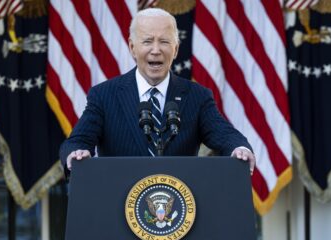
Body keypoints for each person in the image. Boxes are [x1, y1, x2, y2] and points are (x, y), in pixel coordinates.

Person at [59, 8, 256, 175]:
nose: (156, 50)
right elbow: (77, 141)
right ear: (132, 47)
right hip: (120, 206)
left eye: (164, 41)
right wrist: (76, 154)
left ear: (176, 49)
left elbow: (225, 134)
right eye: (147, 41)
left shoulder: (197, 96)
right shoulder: (103, 95)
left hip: (178, 207)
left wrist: (240, 149)